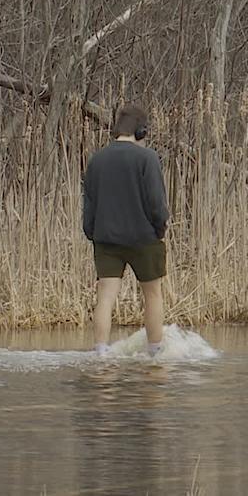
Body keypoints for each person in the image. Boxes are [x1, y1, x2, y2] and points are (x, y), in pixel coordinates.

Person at [82, 104, 170, 356]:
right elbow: (156, 201)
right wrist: (160, 227)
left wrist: (93, 233)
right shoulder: (147, 158)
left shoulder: (97, 160)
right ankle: (155, 351)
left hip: (106, 240)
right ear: (142, 131)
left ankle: (101, 352)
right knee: (152, 295)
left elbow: (89, 204)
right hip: (144, 239)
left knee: (105, 297)